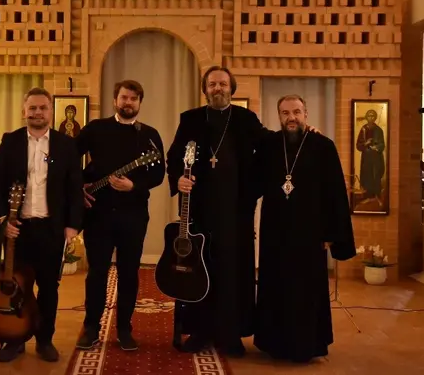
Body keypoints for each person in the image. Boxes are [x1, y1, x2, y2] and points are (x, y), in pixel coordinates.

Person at [166, 66, 319, 356]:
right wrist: (178, 179)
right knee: (199, 273)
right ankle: (200, 332)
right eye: (212, 84)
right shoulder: (191, 119)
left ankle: (231, 334)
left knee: (233, 274)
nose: (218, 88)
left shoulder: (245, 119)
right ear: (205, 89)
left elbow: (272, 142)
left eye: (223, 84)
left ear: (231, 88)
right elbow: (174, 157)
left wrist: (303, 134)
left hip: (236, 213)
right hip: (199, 212)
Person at [253, 94, 356, 362]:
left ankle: (307, 345)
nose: (292, 118)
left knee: (305, 291)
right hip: (275, 232)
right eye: (285, 113)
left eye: (297, 112)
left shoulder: (323, 146)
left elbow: (335, 193)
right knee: (276, 288)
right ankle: (275, 344)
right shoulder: (269, 146)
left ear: (306, 114)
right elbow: (252, 183)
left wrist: (332, 234)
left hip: (310, 233)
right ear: (279, 116)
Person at [0, 87, 84, 363]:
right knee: (16, 285)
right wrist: (2, 219)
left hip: (51, 229)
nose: (37, 112)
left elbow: (74, 188)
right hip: (17, 229)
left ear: (51, 111)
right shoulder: (10, 142)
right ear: (24, 111)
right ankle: (14, 339)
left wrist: (72, 225)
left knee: (48, 288)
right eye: (32, 108)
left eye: (42, 108)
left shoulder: (66, 145)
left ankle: (44, 340)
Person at [75, 80, 165, 351]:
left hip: (133, 216)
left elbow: (158, 174)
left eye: (133, 99)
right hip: (98, 213)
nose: (128, 103)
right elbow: (68, 158)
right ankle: (91, 327)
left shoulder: (149, 135)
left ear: (139, 103)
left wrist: (134, 186)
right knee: (97, 273)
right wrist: (78, 188)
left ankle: (124, 329)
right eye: (124, 97)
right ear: (115, 100)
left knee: (129, 272)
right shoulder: (95, 129)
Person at [356, 109, 385, 206]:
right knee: (367, 176)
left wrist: (375, 147)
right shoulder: (363, 129)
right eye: (369, 116)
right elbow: (358, 145)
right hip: (366, 158)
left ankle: (377, 196)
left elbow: (382, 145)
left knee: (375, 176)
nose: (371, 118)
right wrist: (366, 143)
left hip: (376, 158)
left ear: (375, 117)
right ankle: (368, 197)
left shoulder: (379, 130)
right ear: (366, 117)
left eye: (373, 116)